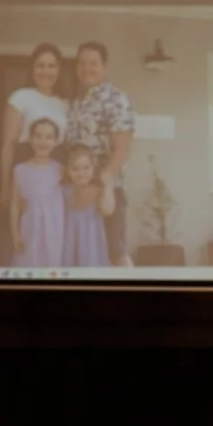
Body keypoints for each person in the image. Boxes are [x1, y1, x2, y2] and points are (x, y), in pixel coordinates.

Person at [64, 41, 136, 268]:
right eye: (82, 63)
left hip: (107, 190)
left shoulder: (116, 99)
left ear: (104, 66)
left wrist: (97, 187)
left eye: (93, 63)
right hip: (78, 188)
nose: (87, 68)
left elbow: (121, 151)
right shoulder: (76, 102)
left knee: (115, 253)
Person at [0, 43, 68, 262]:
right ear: (32, 69)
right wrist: (5, 186)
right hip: (25, 168)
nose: (45, 71)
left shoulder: (64, 103)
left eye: (51, 66)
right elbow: (8, 143)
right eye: (40, 65)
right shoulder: (21, 97)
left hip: (54, 173)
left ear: (59, 70)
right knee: (24, 240)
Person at [10, 118, 68, 268]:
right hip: (30, 227)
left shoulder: (61, 170)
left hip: (54, 229)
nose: (43, 141)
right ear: (30, 139)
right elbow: (15, 204)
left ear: (56, 141)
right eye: (38, 136)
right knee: (28, 262)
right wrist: (15, 234)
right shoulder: (20, 170)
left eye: (49, 137)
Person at [60, 142, 114, 270]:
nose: (81, 173)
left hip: (91, 242)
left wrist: (107, 186)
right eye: (75, 168)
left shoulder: (97, 191)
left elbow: (107, 210)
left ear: (93, 168)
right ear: (68, 170)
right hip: (70, 240)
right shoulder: (64, 191)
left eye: (86, 168)